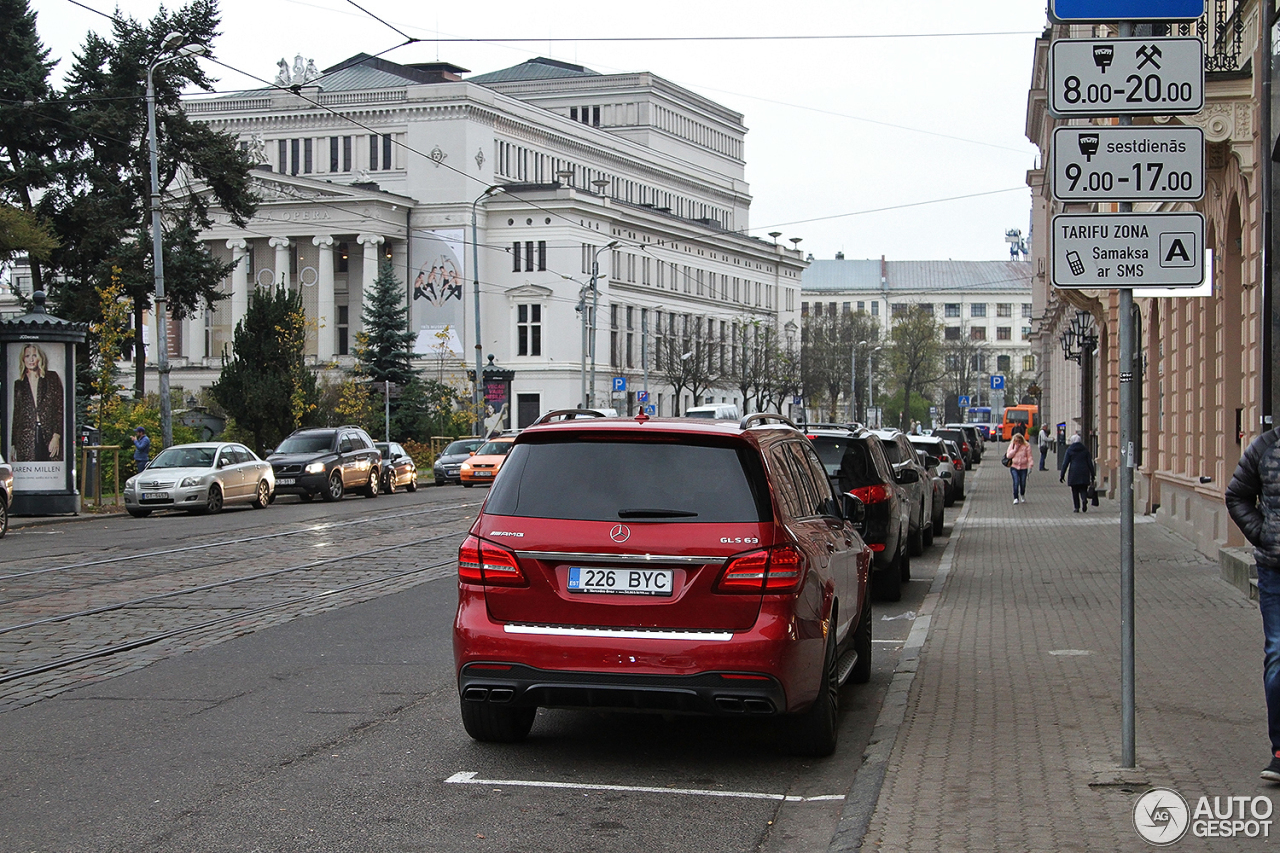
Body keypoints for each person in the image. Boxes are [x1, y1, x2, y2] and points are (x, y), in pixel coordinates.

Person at [1225, 426, 1280, 781]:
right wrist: (1263, 535)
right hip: (1277, 570)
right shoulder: (1266, 446)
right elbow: (1237, 496)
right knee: (1278, 654)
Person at [11, 342, 64, 462]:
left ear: (40, 358)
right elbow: (17, 413)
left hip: (49, 433)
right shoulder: (19, 384)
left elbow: (59, 408)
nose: (31, 359)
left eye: (34, 355)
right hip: (25, 436)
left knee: (51, 466)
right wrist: (13, 443)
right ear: (23, 359)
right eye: (27, 356)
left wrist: (56, 435)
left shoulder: (51, 378)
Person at [1059, 434, 1096, 513]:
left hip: (1074, 472)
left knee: (1074, 490)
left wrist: (1062, 475)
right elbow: (1090, 463)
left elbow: (1065, 463)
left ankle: (1076, 507)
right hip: (1084, 472)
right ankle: (1084, 499)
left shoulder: (1070, 450)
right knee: (1083, 488)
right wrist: (1093, 474)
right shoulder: (1085, 450)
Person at [1005, 432, 1033, 504]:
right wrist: (1015, 450)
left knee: (1023, 483)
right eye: (1016, 441)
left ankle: (1022, 495)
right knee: (1016, 482)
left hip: (1023, 467)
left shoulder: (1026, 446)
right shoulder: (1013, 445)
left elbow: (1029, 456)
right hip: (1014, 466)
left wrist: (1030, 465)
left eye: (1019, 441)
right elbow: (1008, 456)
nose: (1018, 442)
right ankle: (1015, 497)